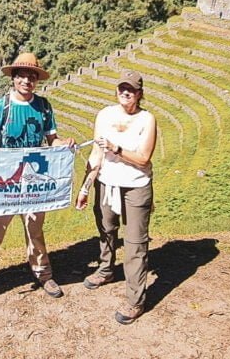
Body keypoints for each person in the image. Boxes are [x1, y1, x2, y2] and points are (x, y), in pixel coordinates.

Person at [0, 52, 75, 304]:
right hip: (6, 182)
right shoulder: (0, 108)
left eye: (31, 76)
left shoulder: (43, 106)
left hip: (33, 181)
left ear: (36, 80)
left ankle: (43, 273)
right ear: (14, 79)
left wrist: (64, 143)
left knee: (35, 230)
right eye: (22, 76)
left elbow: (51, 139)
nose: (26, 81)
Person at [75, 69, 157, 324]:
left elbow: (144, 158)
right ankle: (106, 269)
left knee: (135, 243)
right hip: (106, 182)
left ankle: (135, 300)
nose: (125, 92)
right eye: (122, 88)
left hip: (135, 185)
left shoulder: (147, 119)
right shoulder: (105, 115)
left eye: (131, 89)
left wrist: (117, 149)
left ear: (139, 94)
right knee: (106, 228)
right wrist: (85, 187)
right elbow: (96, 155)